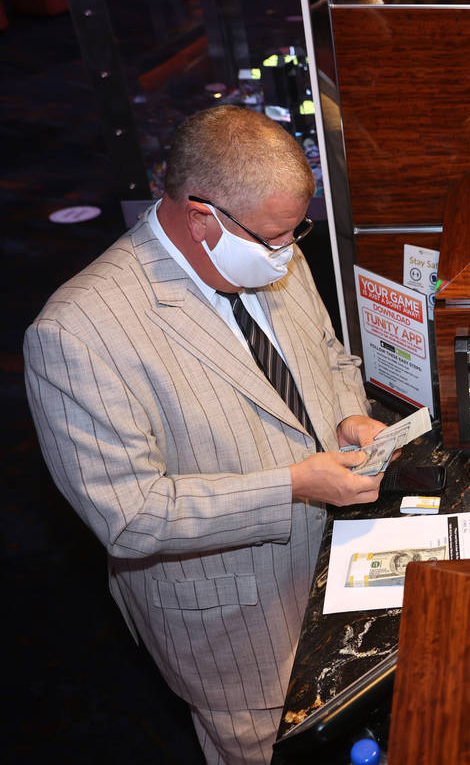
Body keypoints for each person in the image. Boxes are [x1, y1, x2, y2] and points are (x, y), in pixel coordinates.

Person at [24, 106, 390, 764]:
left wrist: (345, 415)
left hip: (339, 569)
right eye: (275, 237)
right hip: (239, 622)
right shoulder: (76, 333)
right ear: (201, 218)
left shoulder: (267, 249)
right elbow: (131, 517)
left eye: (295, 232)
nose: (289, 253)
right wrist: (293, 485)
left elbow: (331, 357)